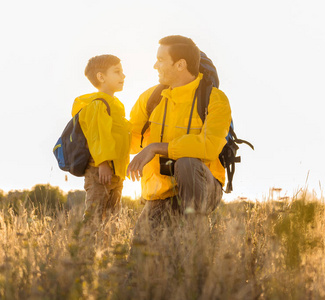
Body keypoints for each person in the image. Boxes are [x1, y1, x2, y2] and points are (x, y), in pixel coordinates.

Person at [127, 35, 231, 228]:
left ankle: (195, 236)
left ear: (180, 64)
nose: (155, 66)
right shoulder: (150, 98)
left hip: (204, 189)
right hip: (160, 195)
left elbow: (209, 146)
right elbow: (131, 141)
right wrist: (99, 133)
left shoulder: (214, 99)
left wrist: (156, 148)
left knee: (186, 163)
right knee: (140, 257)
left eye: (160, 60)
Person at [72, 54, 130, 226]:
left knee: (112, 219)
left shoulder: (114, 104)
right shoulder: (98, 104)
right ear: (101, 77)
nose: (123, 76)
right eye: (117, 72)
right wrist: (103, 163)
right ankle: (85, 249)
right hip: (100, 171)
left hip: (115, 172)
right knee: (94, 216)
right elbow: (98, 136)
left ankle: (108, 250)